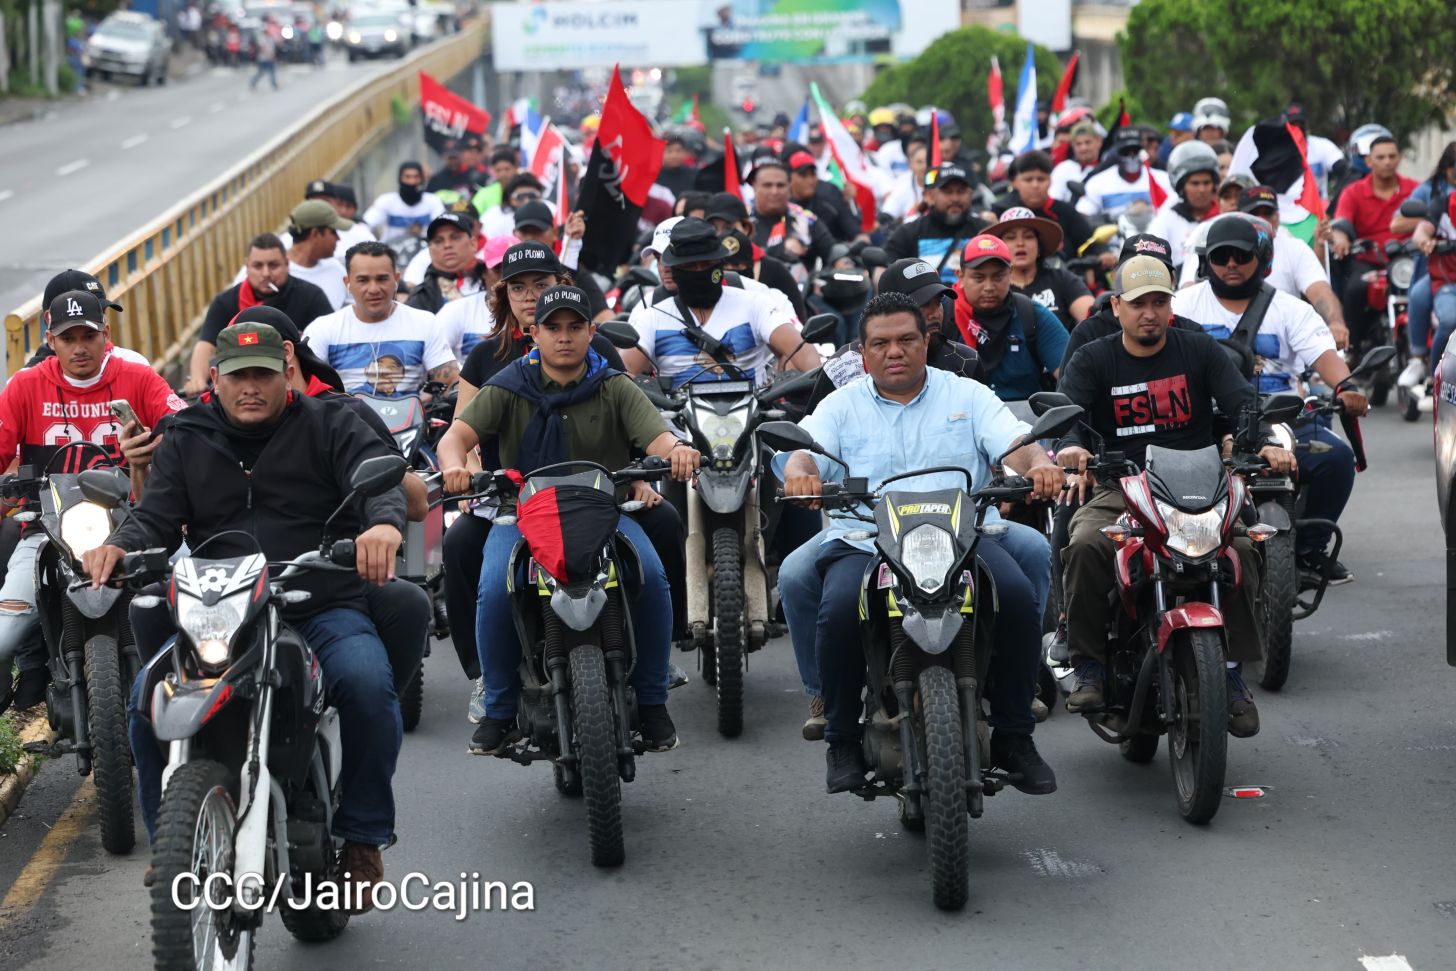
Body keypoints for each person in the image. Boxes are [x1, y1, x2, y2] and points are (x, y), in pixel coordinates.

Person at [85, 321, 406, 911]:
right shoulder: (186, 435)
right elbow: (154, 515)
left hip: (319, 599)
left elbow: (377, 485)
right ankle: (174, 846)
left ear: (287, 374)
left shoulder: (332, 422)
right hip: (218, 610)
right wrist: (120, 545)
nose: (250, 388)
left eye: (263, 375)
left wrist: (383, 523)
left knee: (366, 683)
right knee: (146, 697)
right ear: (215, 381)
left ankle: (362, 836)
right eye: (237, 377)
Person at [775, 291, 1062, 794]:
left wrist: (1037, 465)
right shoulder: (839, 406)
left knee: (1016, 596)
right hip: (865, 540)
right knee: (840, 609)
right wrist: (801, 474)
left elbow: (1013, 441)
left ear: (926, 341)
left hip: (964, 539)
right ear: (862, 354)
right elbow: (804, 450)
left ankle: (1016, 733)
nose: (895, 352)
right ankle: (841, 738)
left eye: (907, 339)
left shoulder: (966, 395)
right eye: (881, 343)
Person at [437, 285, 701, 755]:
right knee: (496, 588)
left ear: (591, 332)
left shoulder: (614, 384)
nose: (564, 338)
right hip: (521, 517)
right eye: (553, 328)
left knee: (654, 577)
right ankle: (498, 709)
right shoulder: (507, 385)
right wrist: (456, 464)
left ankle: (655, 702)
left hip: (605, 513)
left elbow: (658, 438)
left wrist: (677, 452)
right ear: (532, 332)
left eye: (575, 327)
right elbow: (455, 436)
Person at [1056, 255, 1296, 736]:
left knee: (1244, 549)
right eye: (1138, 302)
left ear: (1171, 305)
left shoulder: (1199, 350)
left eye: (1159, 301)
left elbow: (1242, 406)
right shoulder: (1093, 357)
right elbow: (1067, 421)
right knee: (1084, 543)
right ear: (1117, 307)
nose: (1149, 312)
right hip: (1121, 487)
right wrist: (1074, 451)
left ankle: (1230, 673)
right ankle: (1088, 665)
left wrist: (1267, 442)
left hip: (1202, 487)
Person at [445, 244, 640, 718]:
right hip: (511, 501)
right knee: (466, 556)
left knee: (653, 559)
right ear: (506, 298)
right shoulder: (489, 361)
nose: (531, 295)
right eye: (519, 287)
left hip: (596, 498)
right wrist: (467, 474)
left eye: (541, 285)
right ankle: (487, 682)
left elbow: (630, 420)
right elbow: (463, 433)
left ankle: (650, 667)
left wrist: (647, 473)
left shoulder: (601, 358)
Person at [0, 290, 186, 713]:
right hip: (46, 533)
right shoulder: (25, 386)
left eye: (88, 335)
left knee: (198, 610)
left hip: (134, 528)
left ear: (106, 333)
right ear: (51, 340)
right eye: (68, 338)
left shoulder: (137, 377)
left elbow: (183, 423)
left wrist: (168, 444)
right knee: (3, 637)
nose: (80, 347)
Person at [1171, 215, 1365, 584]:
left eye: (1241, 255)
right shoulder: (1180, 307)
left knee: (1336, 458)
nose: (1231, 264)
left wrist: (1347, 388)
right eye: (1221, 255)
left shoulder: (1292, 309)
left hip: (1282, 417)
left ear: (1263, 260)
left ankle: (1308, 552)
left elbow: (1325, 358)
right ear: (1205, 260)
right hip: (1205, 420)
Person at [620, 219, 821, 390]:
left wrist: (802, 388)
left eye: (706, 265)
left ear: (720, 264)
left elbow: (800, 349)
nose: (699, 271)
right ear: (674, 270)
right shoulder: (652, 318)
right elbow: (623, 373)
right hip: (677, 433)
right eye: (690, 266)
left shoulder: (754, 304)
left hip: (753, 427)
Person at [1180, 188, 1349, 348]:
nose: (1232, 264)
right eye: (1221, 258)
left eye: (1268, 213)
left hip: (1282, 349)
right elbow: (1189, 294)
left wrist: (1335, 323)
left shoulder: (1294, 249)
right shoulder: (1209, 242)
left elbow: (1320, 291)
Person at [303, 242, 458, 398]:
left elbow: (451, 382)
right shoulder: (323, 328)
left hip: (412, 420)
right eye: (363, 280)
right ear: (347, 283)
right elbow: (303, 388)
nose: (374, 289)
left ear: (396, 279)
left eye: (382, 279)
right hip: (345, 420)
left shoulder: (424, 323)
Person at [186, 233, 334, 395]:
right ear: (247, 267)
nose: (266, 273)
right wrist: (197, 379)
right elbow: (206, 345)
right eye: (258, 266)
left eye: (273, 265)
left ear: (286, 264)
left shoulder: (311, 296)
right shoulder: (225, 302)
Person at [950, 234, 1069, 400]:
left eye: (998, 277)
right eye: (979, 278)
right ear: (960, 275)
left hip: (1026, 422)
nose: (989, 287)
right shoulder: (943, 317)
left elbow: (1073, 377)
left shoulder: (1032, 315)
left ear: (1010, 273)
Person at [1329, 135, 1417, 348]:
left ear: (1399, 159)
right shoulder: (1353, 192)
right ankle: (1353, 348)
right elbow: (1340, 223)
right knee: (1354, 290)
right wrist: (1340, 238)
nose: (1387, 161)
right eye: (1380, 157)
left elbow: (1431, 218)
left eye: (1391, 156)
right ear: (1369, 161)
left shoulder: (1415, 189)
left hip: (1408, 260)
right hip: (1369, 261)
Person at [1395, 141, 1456, 388]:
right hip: (1443, 272)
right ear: (1446, 167)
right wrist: (1426, 241)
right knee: (1426, 301)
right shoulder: (1436, 196)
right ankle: (1425, 365)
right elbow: (1417, 229)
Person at [984, 207, 1092, 330]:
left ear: (1039, 246)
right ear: (999, 247)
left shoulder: (1062, 279)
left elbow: (1093, 320)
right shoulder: (991, 287)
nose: (1020, 243)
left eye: (1028, 236)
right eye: (1011, 237)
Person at [705, 193, 808, 320]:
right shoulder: (700, 270)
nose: (720, 234)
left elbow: (798, 324)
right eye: (713, 228)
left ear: (746, 228)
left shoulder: (774, 269)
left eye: (728, 227)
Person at [884, 163, 988, 282]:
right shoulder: (907, 233)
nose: (955, 198)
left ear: (970, 195)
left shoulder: (984, 231)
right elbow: (888, 275)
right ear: (929, 196)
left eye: (961, 191)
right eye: (947, 192)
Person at [994, 150, 1099, 260]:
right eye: (1028, 180)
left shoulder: (1066, 211)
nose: (1035, 185)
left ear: (1050, 181)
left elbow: (1091, 246)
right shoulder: (1001, 213)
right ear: (1014, 182)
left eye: (1041, 179)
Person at [746, 158, 837, 276]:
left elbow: (832, 251)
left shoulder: (805, 219)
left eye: (780, 185)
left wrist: (842, 261)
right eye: (767, 185)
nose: (774, 191)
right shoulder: (741, 220)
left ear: (789, 186)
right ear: (754, 186)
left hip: (802, 290)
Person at [1407, 179, 1456, 386]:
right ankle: (1434, 380)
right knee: (1450, 321)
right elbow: (1423, 229)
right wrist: (1424, 240)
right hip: (1448, 280)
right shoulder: (1442, 203)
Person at [1147, 140, 1221, 268]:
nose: (1202, 190)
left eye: (1206, 182)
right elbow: (1150, 261)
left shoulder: (1223, 217)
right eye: (1195, 183)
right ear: (1181, 187)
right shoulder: (1166, 220)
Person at [1077, 129, 1174, 221]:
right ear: (1116, 154)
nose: (1131, 156)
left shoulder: (1162, 179)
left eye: (1136, 151)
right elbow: (1084, 215)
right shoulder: (1097, 183)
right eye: (1125, 152)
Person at [404, 212, 487, 314]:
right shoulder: (421, 298)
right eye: (438, 241)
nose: (447, 245)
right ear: (430, 251)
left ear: (473, 243)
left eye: (455, 237)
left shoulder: (495, 278)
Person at [283, 199, 351, 310]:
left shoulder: (336, 269)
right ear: (315, 234)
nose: (338, 238)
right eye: (333, 232)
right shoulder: (270, 270)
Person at [362, 162, 446, 247]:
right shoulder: (386, 201)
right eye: (407, 177)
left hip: (425, 251)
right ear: (400, 179)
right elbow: (365, 225)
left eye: (416, 177)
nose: (412, 181)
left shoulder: (433, 201)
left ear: (422, 179)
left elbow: (442, 227)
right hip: (391, 252)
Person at [787, 151, 859, 242]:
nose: (810, 180)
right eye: (803, 175)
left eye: (813, 175)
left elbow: (853, 230)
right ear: (791, 177)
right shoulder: (783, 205)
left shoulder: (830, 197)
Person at [479, 173, 547, 239]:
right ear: (510, 199)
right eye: (520, 197)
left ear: (540, 197)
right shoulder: (493, 217)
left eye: (532, 196)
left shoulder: (552, 210)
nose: (527, 201)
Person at [1050, 122, 1103, 202]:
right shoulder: (1063, 169)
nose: (1083, 148)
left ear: (1099, 141)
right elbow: (1054, 198)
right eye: (1078, 144)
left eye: (1087, 142)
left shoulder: (1108, 169)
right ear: (1072, 146)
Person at [880, 135, 928, 222]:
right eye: (919, 162)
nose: (924, 166)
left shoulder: (945, 178)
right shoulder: (903, 184)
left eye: (928, 161)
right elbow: (887, 214)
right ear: (910, 164)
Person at [469, 147, 522, 216]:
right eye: (498, 170)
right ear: (493, 170)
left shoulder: (524, 190)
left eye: (507, 169)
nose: (503, 174)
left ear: (515, 168)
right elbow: (473, 215)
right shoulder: (484, 194)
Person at [250, 25, 278, 91]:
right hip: (263, 59)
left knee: (272, 72)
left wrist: (273, 56)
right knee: (261, 73)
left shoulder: (270, 39)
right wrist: (269, 55)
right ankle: (253, 82)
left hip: (270, 58)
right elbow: (262, 48)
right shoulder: (262, 39)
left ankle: (274, 85)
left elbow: (272, 49)